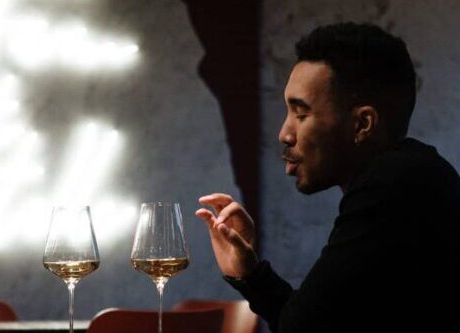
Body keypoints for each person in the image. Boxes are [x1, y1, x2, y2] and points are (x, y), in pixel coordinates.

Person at [196, 22, 460, 332]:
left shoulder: (396, 184)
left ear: (363, 124)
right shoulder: (411, 176)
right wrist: (250, 275)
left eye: (301, 113)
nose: (284, 133)